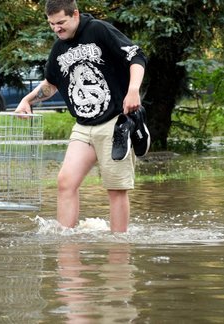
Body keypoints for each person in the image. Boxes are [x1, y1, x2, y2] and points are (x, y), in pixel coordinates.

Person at [15, 0, 148, 232]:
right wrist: (27, 100)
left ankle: (118, 247)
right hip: (83, 126)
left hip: (116, 123)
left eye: (61, 22)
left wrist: (133, 89)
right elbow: (51, 84)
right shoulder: (59, 48)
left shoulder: (98, 30)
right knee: (65, 183)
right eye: (51, 24)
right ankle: (67, 244)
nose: (56, 28)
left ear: (75, 14)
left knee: (115, 189)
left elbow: (136, 56)